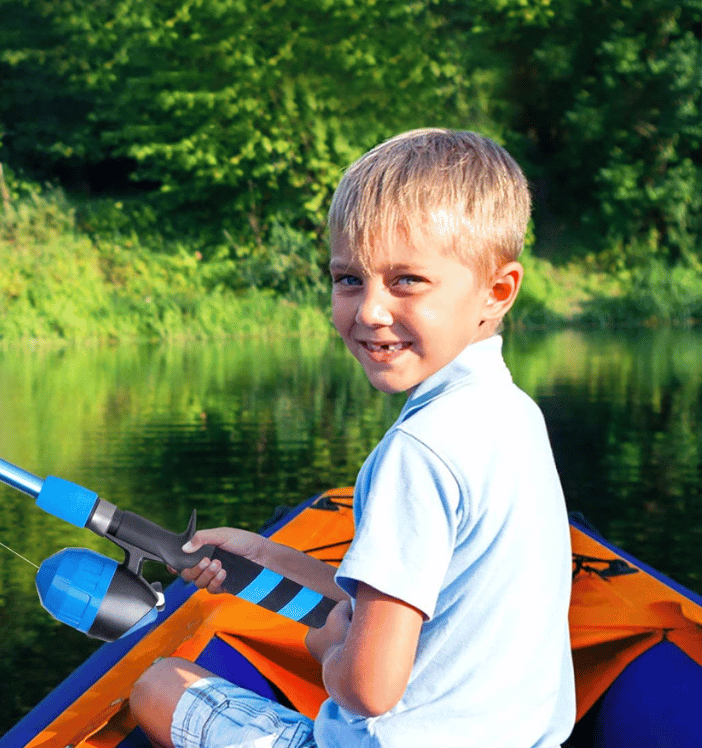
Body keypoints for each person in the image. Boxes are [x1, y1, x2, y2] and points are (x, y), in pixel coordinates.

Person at [128, 128, 576, 748]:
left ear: (496, 292)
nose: (369, 311)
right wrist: (263, 556)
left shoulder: (417, 454)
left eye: (406, 280)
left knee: (157, 685)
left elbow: (368, 689)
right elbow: (409, 603)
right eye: (348, 280)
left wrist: (331, 645)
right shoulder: (514, 415)